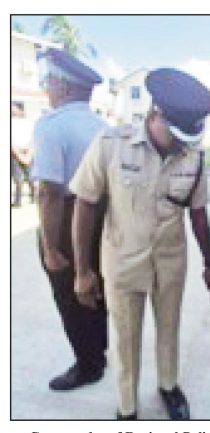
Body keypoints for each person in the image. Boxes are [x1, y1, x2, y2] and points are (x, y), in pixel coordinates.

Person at [70, 68, 210, 420]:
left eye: (190, 136)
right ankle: (127, 407)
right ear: (155, 114)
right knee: (126, 339)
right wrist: (82, 270)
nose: (184, 143)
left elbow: (198, 213)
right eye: (177, 134)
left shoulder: (193, 156)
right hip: (123, 263)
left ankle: (169, 386)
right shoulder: (110, 145)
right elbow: (86, 204)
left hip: (171, 261)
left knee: (170, 328)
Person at [30, 48, 108, 392]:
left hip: (65, 220)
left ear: (64, 86)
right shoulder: (104, 128)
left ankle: (88, 365)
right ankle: (99, 353)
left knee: (68, 290)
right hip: (103, 219)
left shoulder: (51, 126)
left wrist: (49, 247)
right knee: (96, 286)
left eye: (49, 80)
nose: (47, 86)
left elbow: (48, 192)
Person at [11, 102, 36, 206]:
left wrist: (30, 151)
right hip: (14, 152)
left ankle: (34, 196)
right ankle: (18, 200)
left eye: (14, 109)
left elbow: (34, 137)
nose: (13, 111)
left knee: (30, 176)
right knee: (17, 178)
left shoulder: (29, 123)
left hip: (27, 152)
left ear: (21, 110)